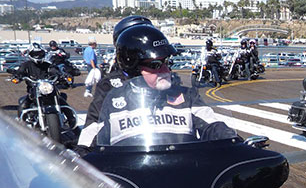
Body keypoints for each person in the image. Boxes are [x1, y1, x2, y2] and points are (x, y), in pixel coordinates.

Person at [76, 24, 237, 151]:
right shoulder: (113, 101)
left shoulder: (187, 97)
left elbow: (213, 125)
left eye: (166, 62)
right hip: (132, 184)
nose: (165, 70)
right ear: (133, 67)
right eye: (155, 65)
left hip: (185, 177)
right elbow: (88, 142)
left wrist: (235, 142)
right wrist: (80, 158)